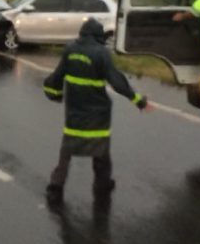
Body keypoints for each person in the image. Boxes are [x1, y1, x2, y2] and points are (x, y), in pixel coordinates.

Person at [43, 19, 148, 206]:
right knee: (101, 151)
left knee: (66, 152)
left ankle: (55, 187)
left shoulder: (70, 50)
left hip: (74, 113)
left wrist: (54, 94)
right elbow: (117, 81)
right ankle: (103, 184)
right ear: (99, 36)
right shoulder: (101, 53)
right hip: (98, 115)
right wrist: (138, 100)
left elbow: (56, 78)